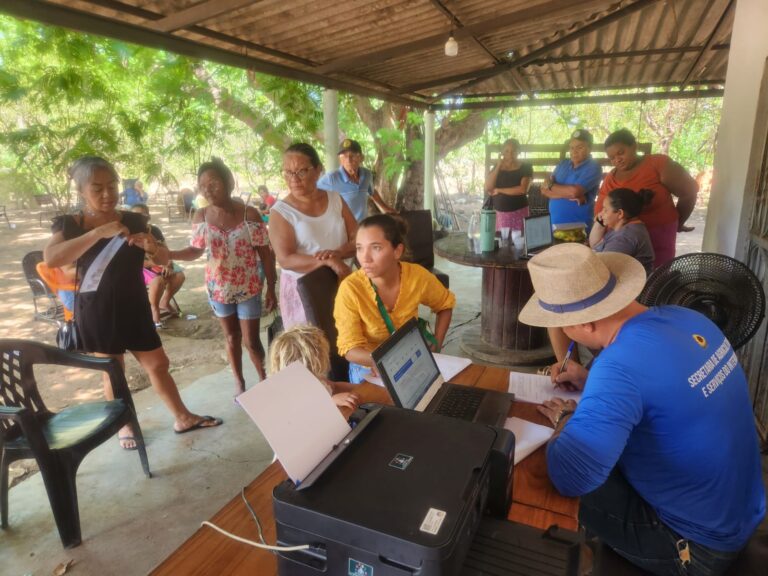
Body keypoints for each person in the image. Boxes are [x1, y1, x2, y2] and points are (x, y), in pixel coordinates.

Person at [519, 243, 765, 576]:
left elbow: (571, 476)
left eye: (561, 325)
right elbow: (662, 388)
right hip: (739, 512)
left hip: (695, 546)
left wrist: (566, 418)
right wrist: (591, 380)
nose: (562, 333)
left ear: (585, 323)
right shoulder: (688, 317)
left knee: (535, 470)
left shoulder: (618, 365)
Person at [44, 156, 222, 450]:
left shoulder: (135, 220)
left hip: (135, 306)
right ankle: (124, 425)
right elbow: (52, 258)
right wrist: (99, 232)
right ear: (81, 191)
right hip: (97, 310)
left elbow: (162, 260)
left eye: (112, 185)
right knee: (113, 370)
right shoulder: (72, 224)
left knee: (158, 363)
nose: (107, 194)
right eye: (97, 188)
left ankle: (182, 417)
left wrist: (153, 247)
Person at [170, 158, 277, 394]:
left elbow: (266, 254)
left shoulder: (250, 214)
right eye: (203, 185)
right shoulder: (201, 216)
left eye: (214, 183)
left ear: (228, 182)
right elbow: (195, 250)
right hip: (218, 289)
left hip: (248, 287)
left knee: (251, 341)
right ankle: (239, 384)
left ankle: (264, 381)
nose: (208, 190)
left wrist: (271, 286)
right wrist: (167, 253)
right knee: (231, 338)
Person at [334, 214, 455, 383]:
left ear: (397, 251)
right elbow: (350, 349)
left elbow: (444, 305)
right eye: (359, 248)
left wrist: (437, 343)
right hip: (368, 366)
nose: (364, 258)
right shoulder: (351, 289)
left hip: (411, 357)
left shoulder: (416, 276)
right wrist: (385, 362)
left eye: (375, 248)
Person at [268, 143, 357, 329]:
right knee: (311, 347)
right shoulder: (281, 212)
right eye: (287, 172)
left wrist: (337, 254)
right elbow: (286, 259)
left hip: (340, 280)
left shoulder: (335, 199)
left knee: (346, 338)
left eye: (301, 171)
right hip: (304, 289)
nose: (294, 179)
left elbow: (357, 237)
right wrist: (326, 262)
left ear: (318, 170)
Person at [595, 128, 698, 268]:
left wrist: (679, 222)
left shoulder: (658, 164)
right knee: (627, 279)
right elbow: (600, 211)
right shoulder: (610, 177)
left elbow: (689, 192)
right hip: (623, 242)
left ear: (634, 146)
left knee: (655, 278)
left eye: (621, 152)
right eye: (612, 158)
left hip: (659, 236)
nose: (617, 159)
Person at [269, 324, 359, 411]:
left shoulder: (317, 379)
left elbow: (335, 387)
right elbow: (306, 414)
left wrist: (360, 388)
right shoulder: (293, 393)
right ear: (314, 361)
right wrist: (331, 402)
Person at [131, 204, 186, 327]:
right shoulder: (129, 235)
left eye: (143, 215)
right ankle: (154, 309)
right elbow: (130, 262)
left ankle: (164, 302)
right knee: (158, 281)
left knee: (179, 276)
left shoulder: (154, 230)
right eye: (135, 215)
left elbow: (165, 249)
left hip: (159, 261)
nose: (139, 218)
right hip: (141, 266)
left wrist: (167, 264)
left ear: (148, 217)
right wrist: (153, 263)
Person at [317, 138, 396, 222]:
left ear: (361, 158)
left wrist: (386, 208)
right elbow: (312, 194)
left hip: (361, 226)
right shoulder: (331, 179)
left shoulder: (367, 174)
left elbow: (372, 192)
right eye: (344, 156)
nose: (348, 160)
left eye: (353, 155)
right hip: (343, 230)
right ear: (340, 160)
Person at [541, 129, 603, 231]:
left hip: (579, 228)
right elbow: (543, 190)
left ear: (589, 148)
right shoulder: (563, 164)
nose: (574, 151)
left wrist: (551, 185)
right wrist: (569, 193)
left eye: (580, 147)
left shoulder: (593, 167)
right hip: (555, 226)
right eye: (571, 148)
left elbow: (574, 192)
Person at [589, 187, 655, 275]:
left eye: (605, 210)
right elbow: (594, 244)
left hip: (628, 285)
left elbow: (604, 272)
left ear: (620, 213)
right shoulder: (623, 226)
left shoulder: (624, 238)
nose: (601, 213)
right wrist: (600, 222)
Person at [484, 138, 532, 231]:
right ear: (502, 153)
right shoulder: (497, 167)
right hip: (500, 214)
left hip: (519, 212)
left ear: (519, 152)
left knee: (519, 241)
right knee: (503, 242)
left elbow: (523, 189)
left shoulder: (526, 167)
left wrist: (499, 190)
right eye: (506, 151)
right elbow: (488, 187)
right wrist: (498, 166)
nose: (510, 154)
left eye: (514, 151)